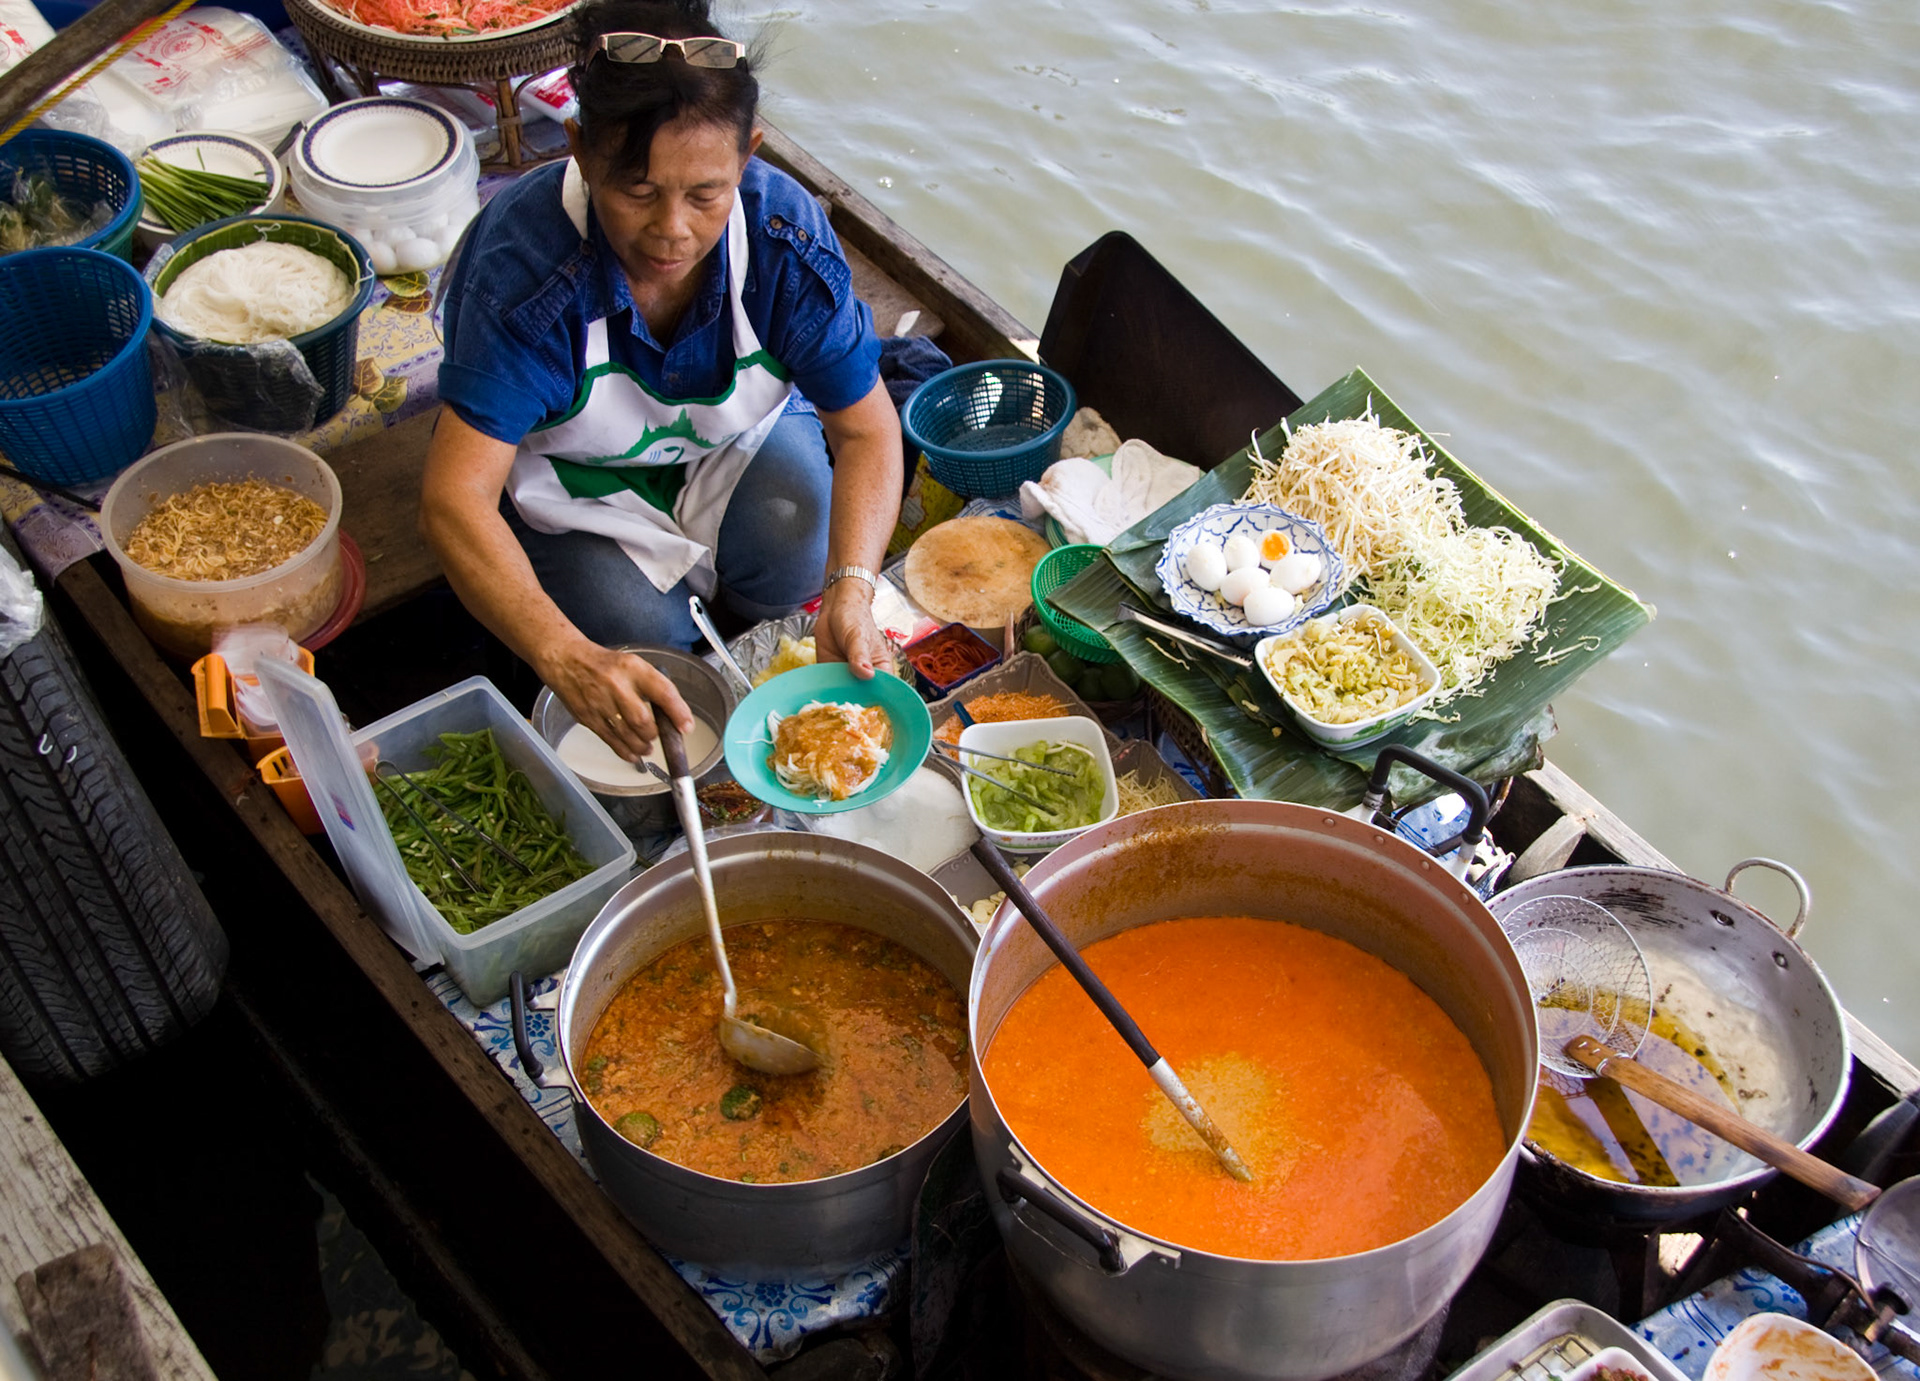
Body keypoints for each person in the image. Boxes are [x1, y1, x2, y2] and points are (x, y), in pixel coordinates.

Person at [422, 0, 902, 759]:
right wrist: (563, 654)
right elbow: (453, 500)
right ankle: (666, 654)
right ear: (580, 150)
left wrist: (852, 585)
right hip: (578, 486)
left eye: (706, 194)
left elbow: (867, 427)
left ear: (749, 157)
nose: (672, 230)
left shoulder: (783, 239)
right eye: (637, 191)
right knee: (642, 638)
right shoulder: (523, 275)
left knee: (797, 533)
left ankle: (755, 658)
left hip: (730, 449)